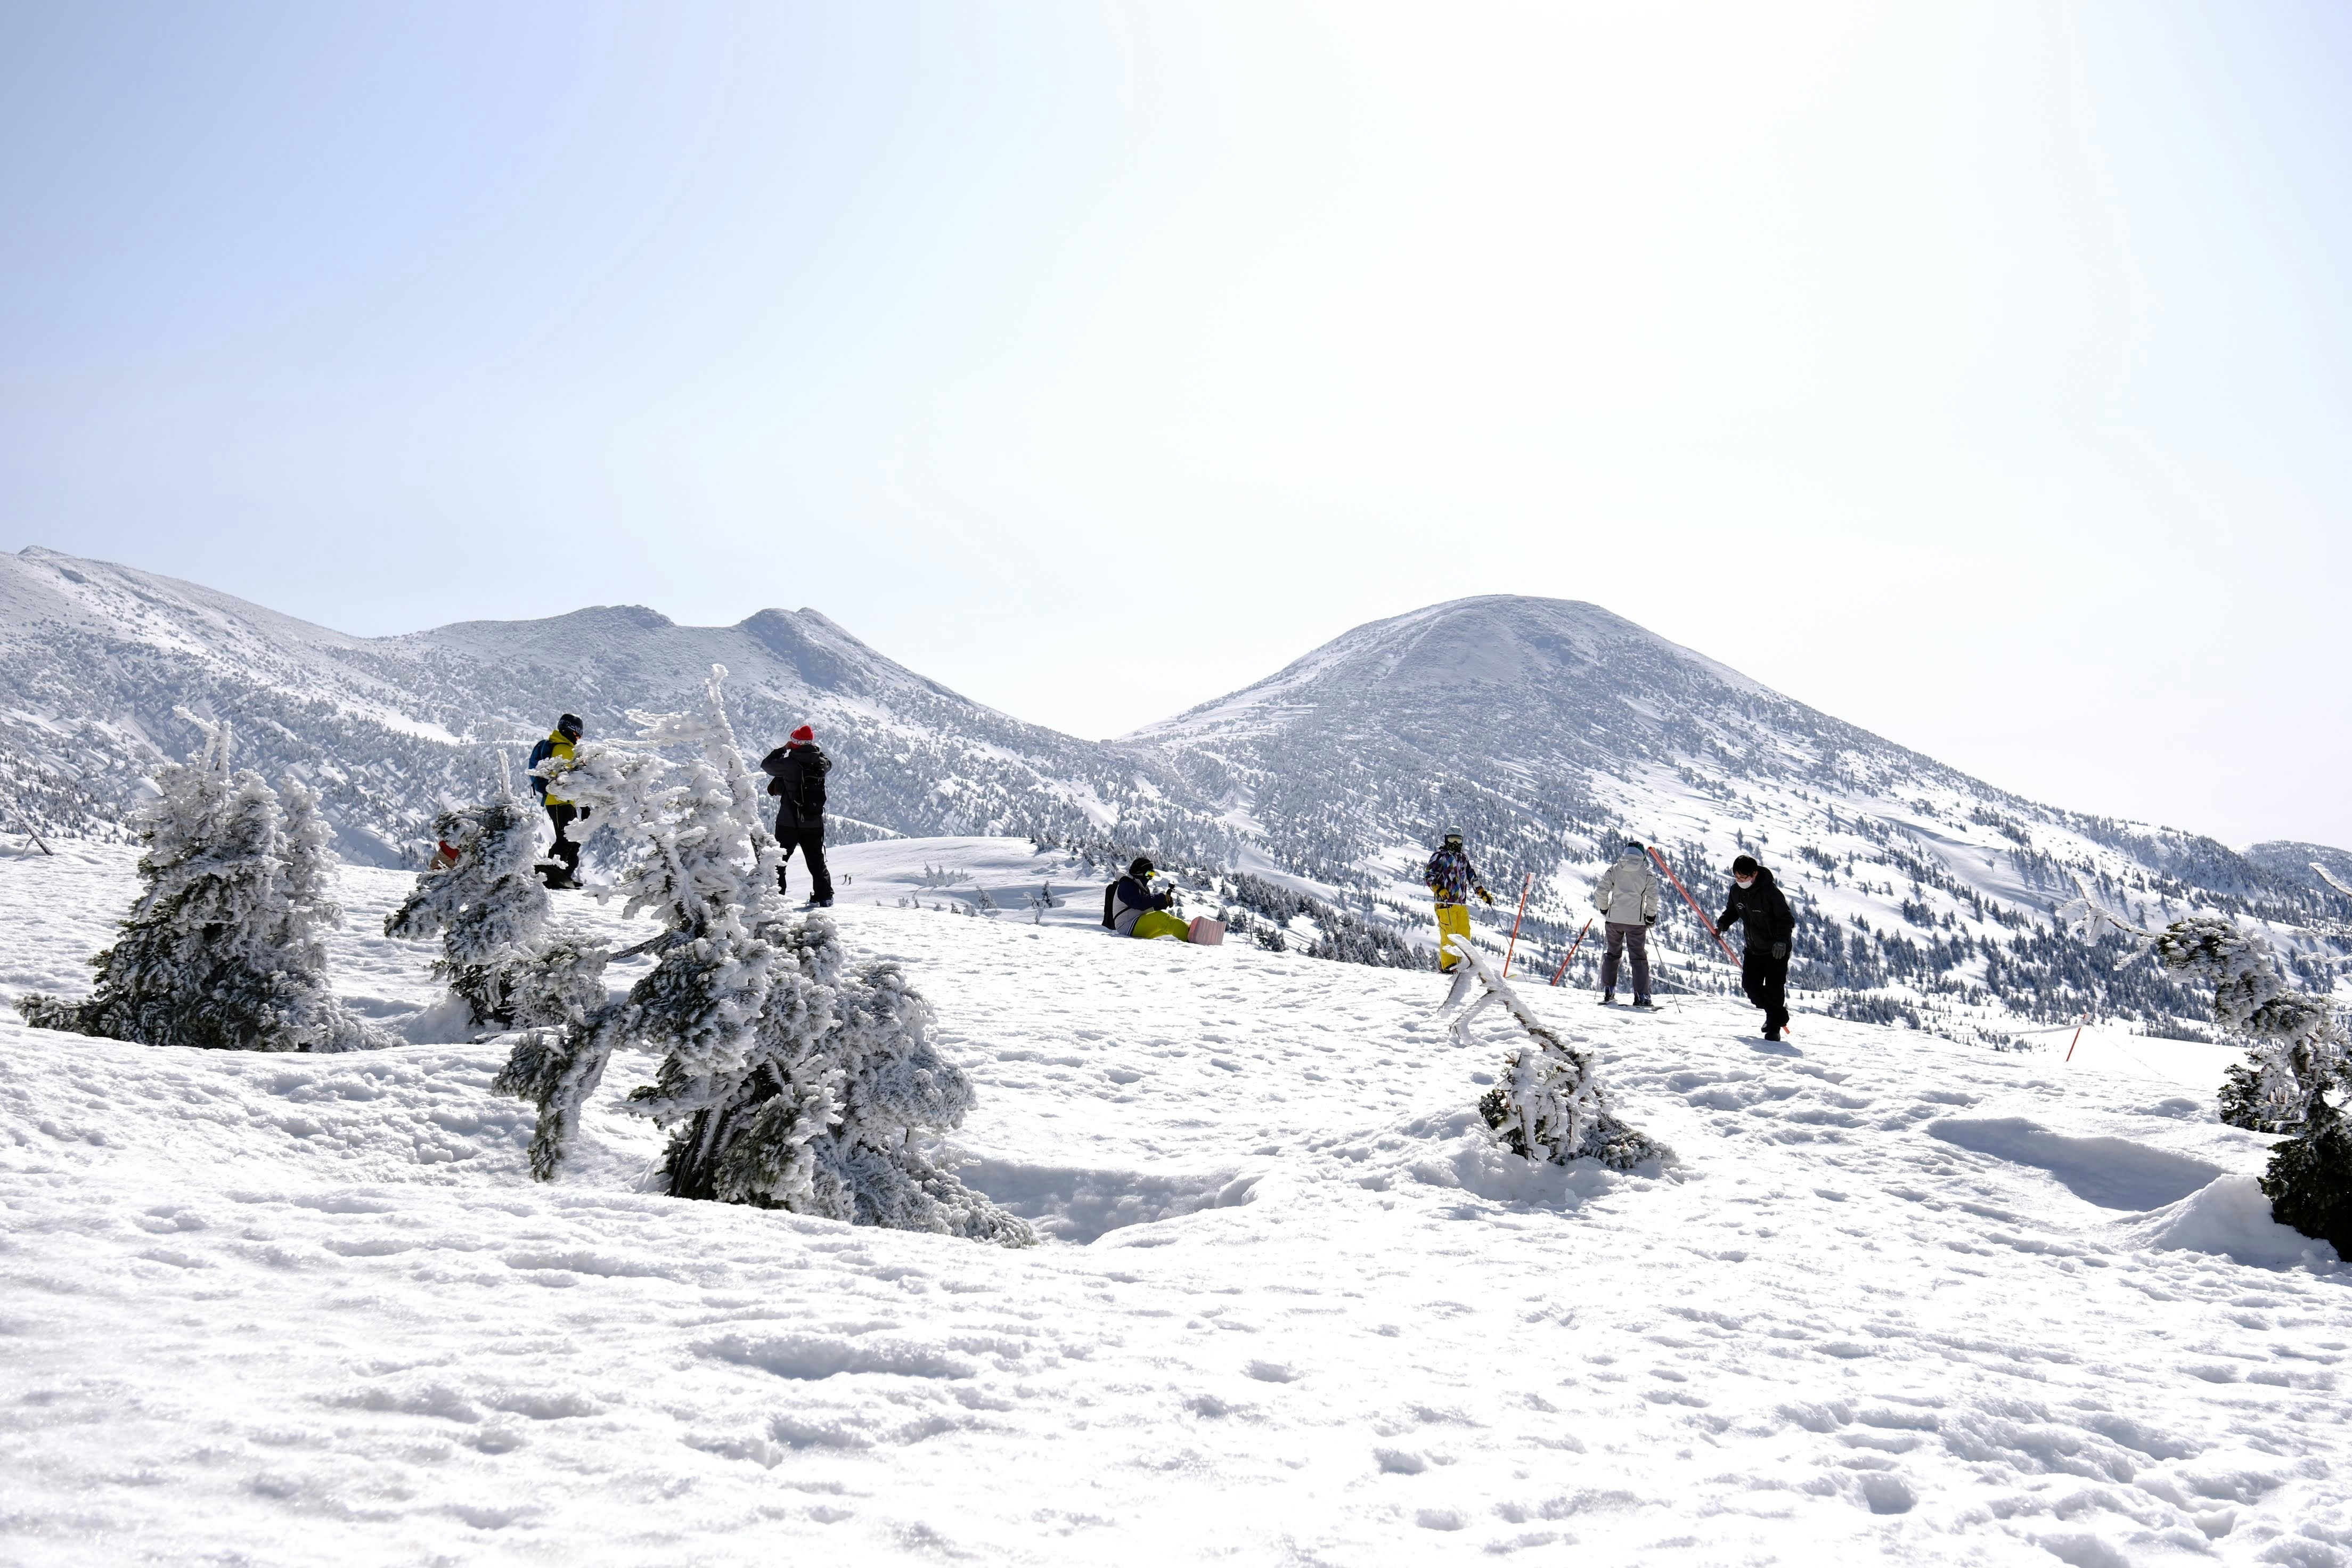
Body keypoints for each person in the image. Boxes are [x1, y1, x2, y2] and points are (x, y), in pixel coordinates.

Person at [1718, 854, 1795, 1040]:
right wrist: (1723, 924)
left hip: (1776, 949)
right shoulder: (1736, 891)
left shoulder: (1771, 893)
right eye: (1736, 877)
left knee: (1774, 988)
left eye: (1743, 878)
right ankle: (1778, 1014)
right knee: (1750, 986)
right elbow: (1732, 911)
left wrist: (1781, 941)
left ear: (1754, 874)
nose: (1740, 881)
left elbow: (1786, 920)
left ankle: (1773, 1029)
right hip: (1754, 949)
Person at [760, 724, 834, 908]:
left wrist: (783, 750)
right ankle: (825, 897)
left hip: (788, 822)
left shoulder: (789, 764)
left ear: (795, 743)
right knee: (816, 861)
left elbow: (766, 765)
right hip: (814, 822)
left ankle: (777, 898)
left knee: (780, 862)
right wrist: (815, 751)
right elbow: (829, 763)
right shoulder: (821, 763)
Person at [1590, 839, 1660, 1006]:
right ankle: (1642, 996)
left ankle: (1609, 992)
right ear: (1642, 856)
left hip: (1614, 920)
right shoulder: (1647, 873)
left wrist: (1605, 909)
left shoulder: (1615, 869)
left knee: (1612, 954)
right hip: (1636, 923)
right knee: (1638, 958)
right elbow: (1652, 898)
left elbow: (1601, 891)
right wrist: (1650, 917)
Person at [527, 714, 587, 888]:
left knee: (573, 839)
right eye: (578, 735)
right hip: (559, 801)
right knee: (566, 839)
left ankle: (564, 875)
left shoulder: (563, 747)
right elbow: (569, 778)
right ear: (570, 730)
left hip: (565, 801)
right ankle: (550, 873)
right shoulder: (563, 749)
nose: (578, 739)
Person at [1423, 828, 1493, 973]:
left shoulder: (1463, 858)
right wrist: (1439, 889)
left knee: (1464, 936)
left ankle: (1464, 965)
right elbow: (1429, 876)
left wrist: (1482, 892)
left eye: (1458, 840)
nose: (1455, 843)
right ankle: (1448, 967)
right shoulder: (1439, 856)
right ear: (1446, 839)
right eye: (1452, 840)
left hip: (1461, 904)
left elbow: (1472, 876)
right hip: (1445, 903)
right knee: (1449, 936)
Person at [1104, 857, 1189, 940]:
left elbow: (1147, 906)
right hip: (1127, 926)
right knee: (1162, 918)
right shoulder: (1126, 885)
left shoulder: (1140, 886)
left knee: (1168, 925)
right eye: (1149, 874)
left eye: (1152, 875)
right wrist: (1161, 897)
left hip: (1136, 923)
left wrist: (1163, 903)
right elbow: (1139, 903)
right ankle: (1188, 936)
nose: (1150, 878)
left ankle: (1190, 930)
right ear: (1139, 872)